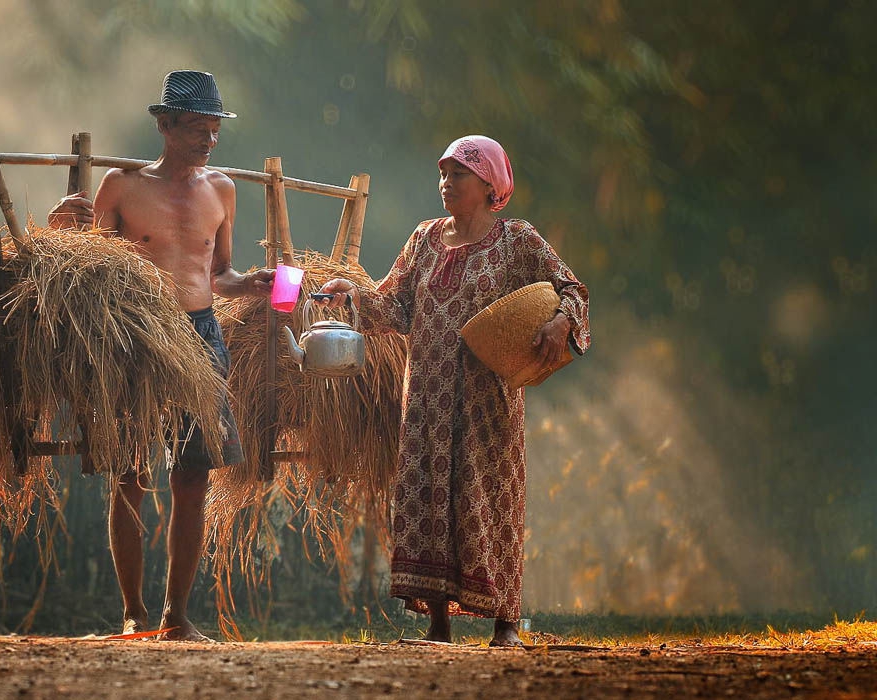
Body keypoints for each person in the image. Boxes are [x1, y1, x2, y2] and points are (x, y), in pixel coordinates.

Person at [318, 135, 590, 646]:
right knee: (425, 501)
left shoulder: (517, 241)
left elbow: (571, 287)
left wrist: (560, 321)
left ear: (490, 185)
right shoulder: (423, 239)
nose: (446, 183)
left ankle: (506, 623)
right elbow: (393, 305)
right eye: (442, 174)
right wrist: (350, 295)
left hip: (487, 402)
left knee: (488, 498)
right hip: (425, 398)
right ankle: (437, 625)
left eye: (458, 174)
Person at [48, 70, 274, 641]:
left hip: (201, 336)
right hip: (134, 337)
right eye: (198, 127)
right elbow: (86, 265)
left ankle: (177, 616)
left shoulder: (222, 190)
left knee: (193, 475)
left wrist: (254, 284)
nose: (210, 138)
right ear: (165, 125)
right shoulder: (123, 187)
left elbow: (218, 273)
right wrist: (60, 230)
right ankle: (134, 613)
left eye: (214, 127)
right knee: (128, 472)